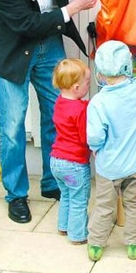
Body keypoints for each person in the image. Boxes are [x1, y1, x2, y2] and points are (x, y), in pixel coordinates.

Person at [0, 0, 136, 224]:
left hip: (50, 43)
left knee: (58, 118)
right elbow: (25, 24)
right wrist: (74, 8)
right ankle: (16, 195)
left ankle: (52, 182)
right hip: (14, 51)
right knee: (12, 128)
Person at [86, 30, 136, 262]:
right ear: (128, 68)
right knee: (134, 203)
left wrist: (97, 149)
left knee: (103, 206)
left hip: (109, 166)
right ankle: (135, 244)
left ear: (99, 73)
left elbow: (95, 137)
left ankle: (96, 246)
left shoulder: (98, 102)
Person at [49, 59, 92, 245]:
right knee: (79, 200)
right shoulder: (81, 110)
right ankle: (78, 235)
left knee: (66, 195)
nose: (88, 86)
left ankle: (63, 226)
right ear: (76, 87)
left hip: (56, 161)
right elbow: (85, 137)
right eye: (87, 83)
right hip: (74, 164)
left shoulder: (59, 102)